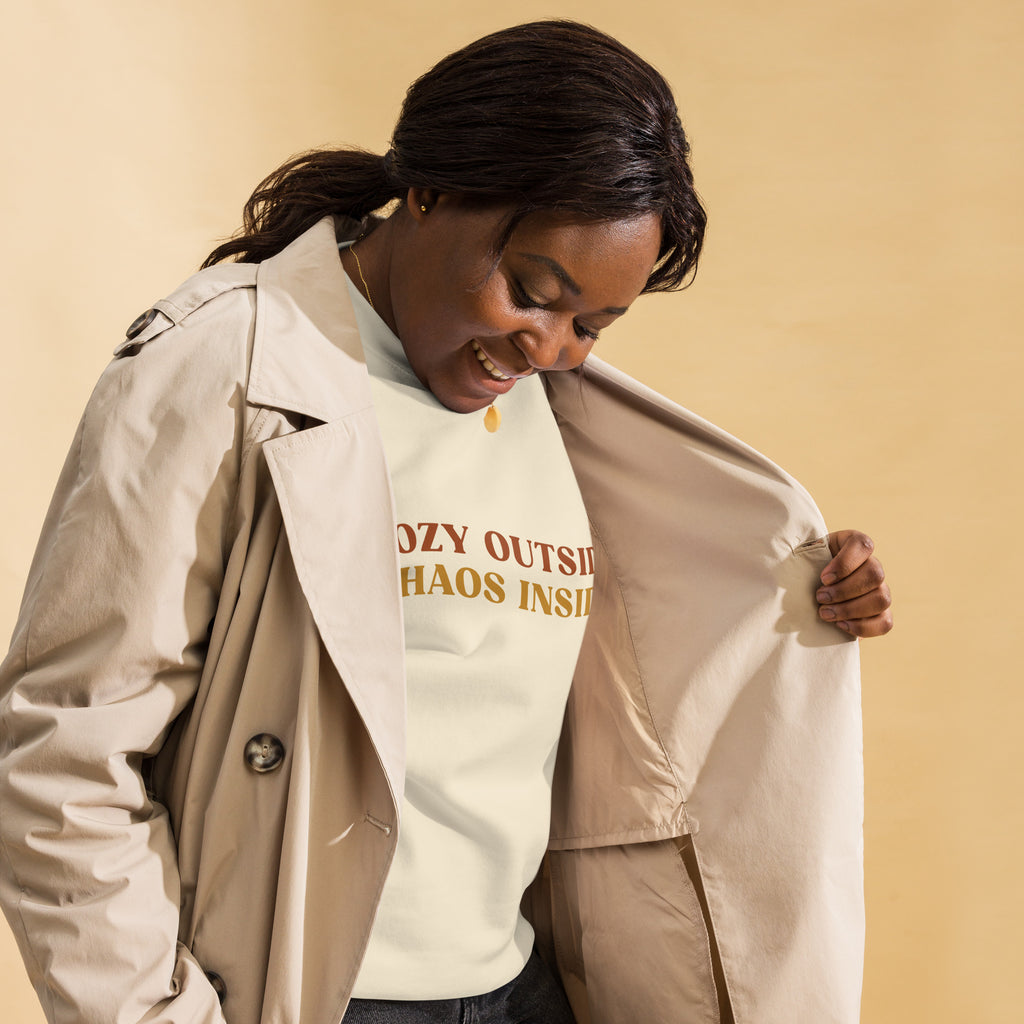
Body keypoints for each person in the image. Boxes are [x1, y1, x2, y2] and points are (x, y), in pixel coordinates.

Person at [0, 19, 891, 1024]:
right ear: (429, 192)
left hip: (523, 989)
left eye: (592, 324)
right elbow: (62, 756)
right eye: (534, 290)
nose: (549, 345)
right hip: (316, 996)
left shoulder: (555, 415)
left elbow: (635, 669)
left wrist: (793, 582)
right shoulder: (223, 369)